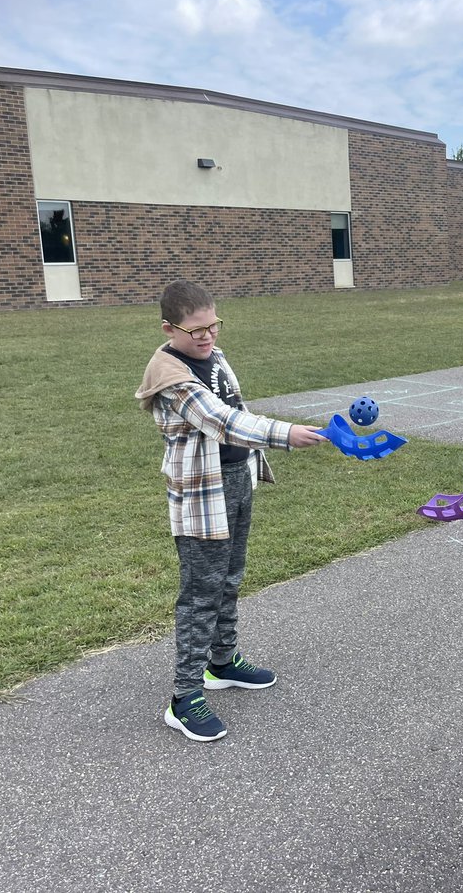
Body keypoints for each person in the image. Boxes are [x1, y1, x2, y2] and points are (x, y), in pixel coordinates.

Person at [135, 279, 327, 742]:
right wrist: (284, 433)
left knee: (231, 578)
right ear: (169, 328)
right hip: (203, 495)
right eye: (195, 330)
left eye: (213, 327)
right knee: (201, 591)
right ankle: (184, 697)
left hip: (236, 481)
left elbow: (235, 403)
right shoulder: (172, 378)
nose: (206, 337)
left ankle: (221, 661)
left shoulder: (213, 358)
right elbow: (221, 420)